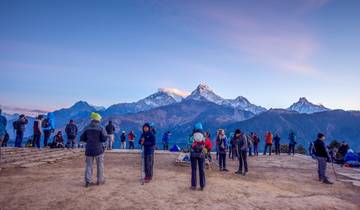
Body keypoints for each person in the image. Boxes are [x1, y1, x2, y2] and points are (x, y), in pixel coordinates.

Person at [81, 112, 108, 187]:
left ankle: (87, 181)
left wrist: (89, 141)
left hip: (89, 149)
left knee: (88, 166)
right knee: (100, 165)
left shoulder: (86, 127)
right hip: (99, 149)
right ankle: (99, 181)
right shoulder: (101, 128)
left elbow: (82, 138)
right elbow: (104, 139)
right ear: (98, 119)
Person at [189, 123, 206, 190]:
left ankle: (193, 185)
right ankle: (202, 186)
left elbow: (189, 143)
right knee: (202, 170)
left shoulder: (192, 135)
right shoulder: (204, 136)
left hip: (193, 154)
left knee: (194, 170)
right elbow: (206, 144)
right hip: (201, 155)